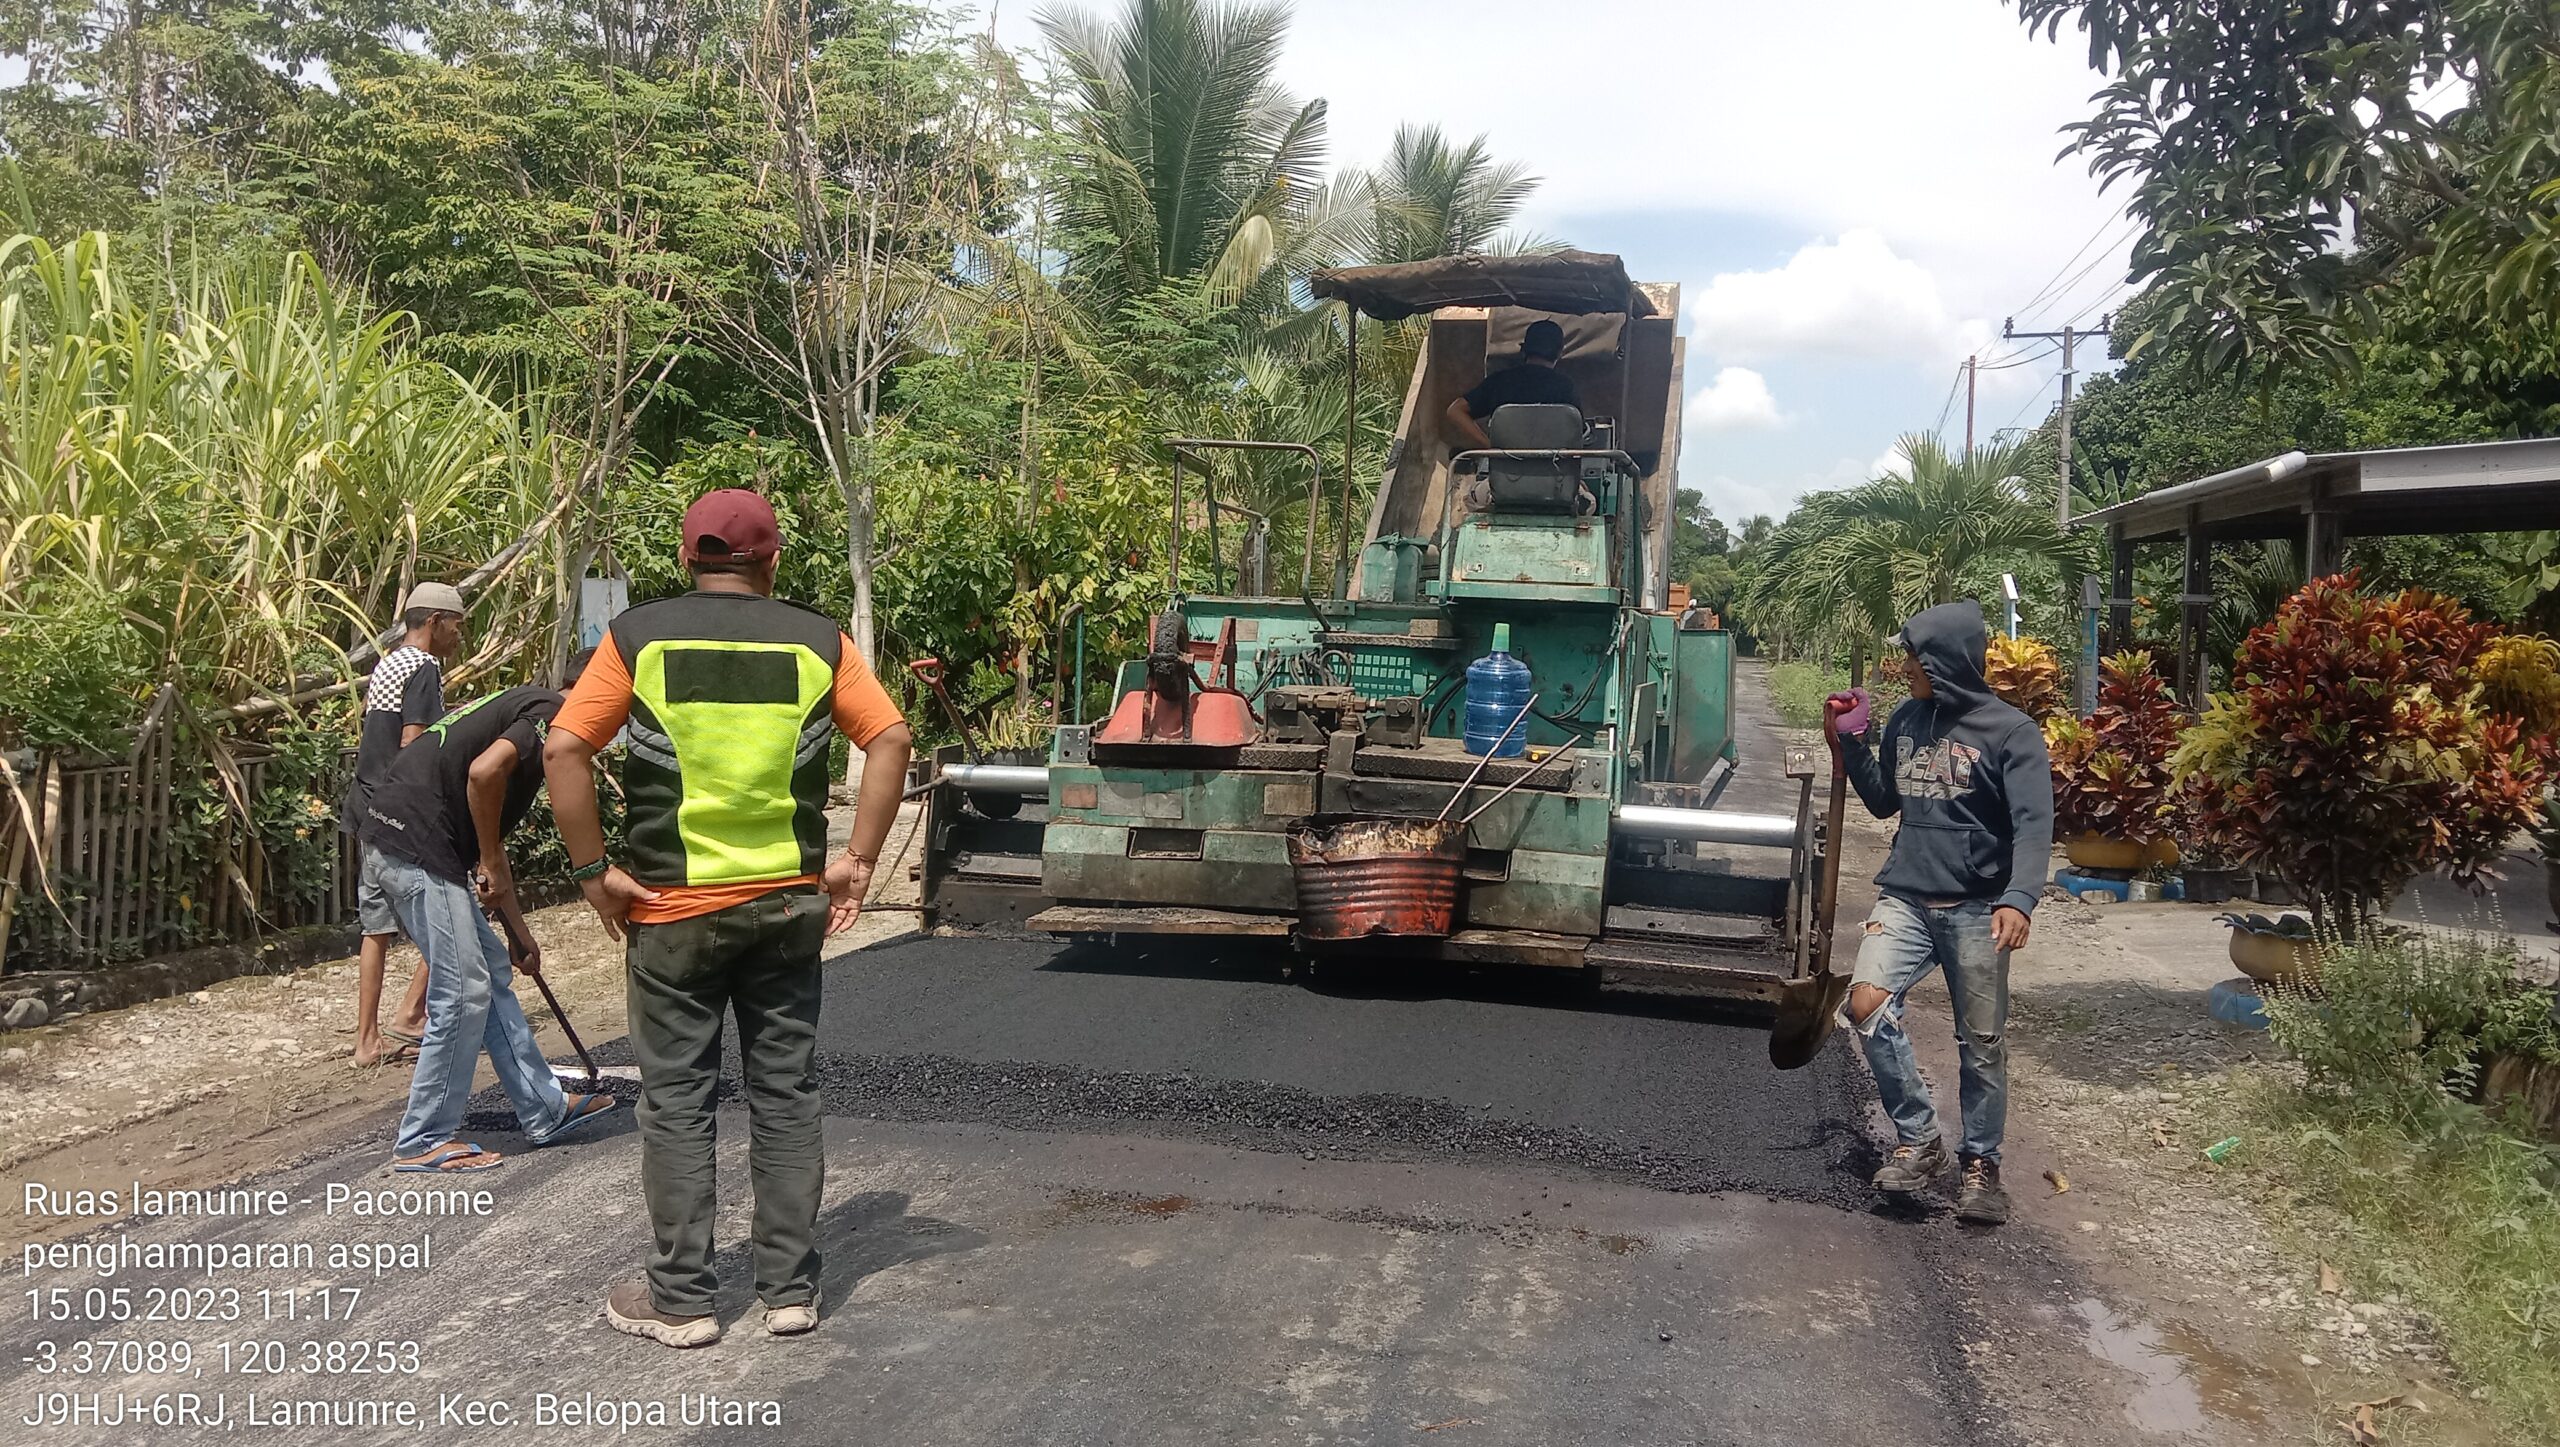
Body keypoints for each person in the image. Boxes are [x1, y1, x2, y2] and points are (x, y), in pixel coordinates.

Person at [543, 489, 913, 1349]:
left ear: (688, 558)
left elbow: (564, 746)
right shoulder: (819, 640)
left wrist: (596, 874)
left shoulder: (639, 636)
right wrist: (857, 860)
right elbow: (890, 738)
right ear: (772, 559)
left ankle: (682, 1300)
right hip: (786, 908)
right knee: (785, 1092)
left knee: (678, 1100)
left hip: (672, 912)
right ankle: (789, 1292)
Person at [1825, 600, 2052, 1225]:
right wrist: (1851, 742)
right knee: (1866, 1005)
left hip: (1978, 907)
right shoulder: (1907, 719)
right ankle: (1920, 1139)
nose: (1905, 669)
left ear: (1947, 661)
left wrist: (2020, 899)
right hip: (1906, 896)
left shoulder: (2012, 733)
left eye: (1915, 659)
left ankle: (1981, 1165)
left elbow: (2034, 827)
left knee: (1981, 1042)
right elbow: (1882, 802)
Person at [364, 658, 620, 1174]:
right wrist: (483, 858)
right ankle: (422, 1138)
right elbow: (483, 775)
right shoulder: (552, 712)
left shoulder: (525, 704)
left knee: (490, 972)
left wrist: (519, 936)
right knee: (463, 989)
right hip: (418, 845)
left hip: (405, 837)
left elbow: (492, 844)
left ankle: (544, 1108)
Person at [346, 583, 465, 1068]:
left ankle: (366, 1040)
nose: (459, 634)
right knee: (453, 906)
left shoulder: (388, 662)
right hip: (400, 812)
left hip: (366, 804)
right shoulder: (424, 667)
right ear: (435, 621)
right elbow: (413, 742)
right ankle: (414, 1013)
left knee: (375, 927)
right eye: (457, 624)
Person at [1443, 317, 1581, 454]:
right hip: (1554, 466)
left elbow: (1455, 410)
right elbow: (1577, 430)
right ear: (1560, 353)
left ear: (1524, 349)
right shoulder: (1566, 387)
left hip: (1503, 466)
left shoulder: (1499, 381)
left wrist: (1491, 447)